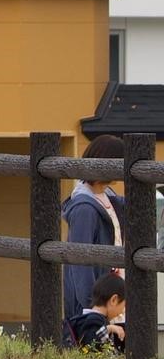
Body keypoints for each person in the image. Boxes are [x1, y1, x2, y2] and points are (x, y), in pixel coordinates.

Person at [62, 134, 125, 320]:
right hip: (97, 309)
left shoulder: (107, 198)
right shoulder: (84, 208)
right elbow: (80, 260)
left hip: (113, 301)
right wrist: (94, 306)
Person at [65, 272, 126, 353]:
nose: (123, 310)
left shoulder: (85, 318)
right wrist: (109, 329)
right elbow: (91, 342)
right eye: (123, 305)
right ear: (114, 300)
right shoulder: (94, 320)